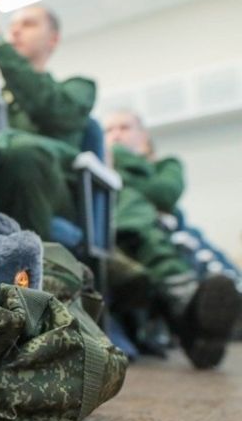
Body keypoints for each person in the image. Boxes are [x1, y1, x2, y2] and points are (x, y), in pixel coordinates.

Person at [103, 109, 241, 368]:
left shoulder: (166, 164)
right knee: (151, 234)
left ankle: (204, 324)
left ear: (143, 137)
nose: (116, 135)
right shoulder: (99, 166)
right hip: (125, 236)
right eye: (109, 131)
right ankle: (196, 328)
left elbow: (165, 193)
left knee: (199, 252)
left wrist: (119, 162)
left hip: (158, 234)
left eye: (124, 127)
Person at [0, 3, 97, 239]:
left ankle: (29, 260)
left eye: (28, 24)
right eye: (12, 26)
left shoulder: (78, 88)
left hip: (52, 188)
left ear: (53, 39)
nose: (15, 31)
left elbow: (51, 110)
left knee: (24, 155)